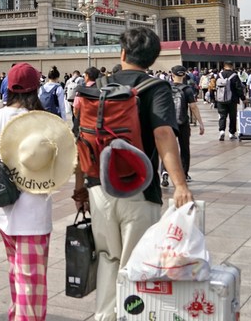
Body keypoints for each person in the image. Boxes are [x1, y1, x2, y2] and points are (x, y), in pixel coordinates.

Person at [81, 27, 193, 321]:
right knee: (136, 261)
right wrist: (180, 184)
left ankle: (105, 316)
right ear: (152, 59)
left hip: (98, 187)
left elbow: (80, 139)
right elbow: (164, 135)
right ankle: (131, 315)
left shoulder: (100, 86)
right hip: (138, 188)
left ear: (122, 53)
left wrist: (81, 188)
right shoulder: (155, 88)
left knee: (107, 256)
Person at [0, 62, 69, 321]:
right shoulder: (44, 121)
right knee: (32, 282)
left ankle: (15, 315)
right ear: (35, 89)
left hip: (4, 208)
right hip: (35, 213)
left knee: (16, 272)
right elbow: (60, 167)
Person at [161, 65, 204, 186]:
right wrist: (200, 123)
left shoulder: (165, 88)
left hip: (168, 122)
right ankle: (184, 173)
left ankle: (164, 173)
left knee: (167, 148)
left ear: (172, 75)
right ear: (184, 75)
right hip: (183, 122)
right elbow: (193, 107)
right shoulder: (187, 89)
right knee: (184, 148)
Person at [216, 62, 244, 141]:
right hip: (232, 100)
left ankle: (222, 131)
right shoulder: (234, 75)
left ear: (224, 66)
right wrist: (243, 98)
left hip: (220, 100)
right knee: (232, 116)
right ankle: (231, 133)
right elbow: (239, 88)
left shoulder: (219, 75)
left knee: (222, 116)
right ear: (232, 66)